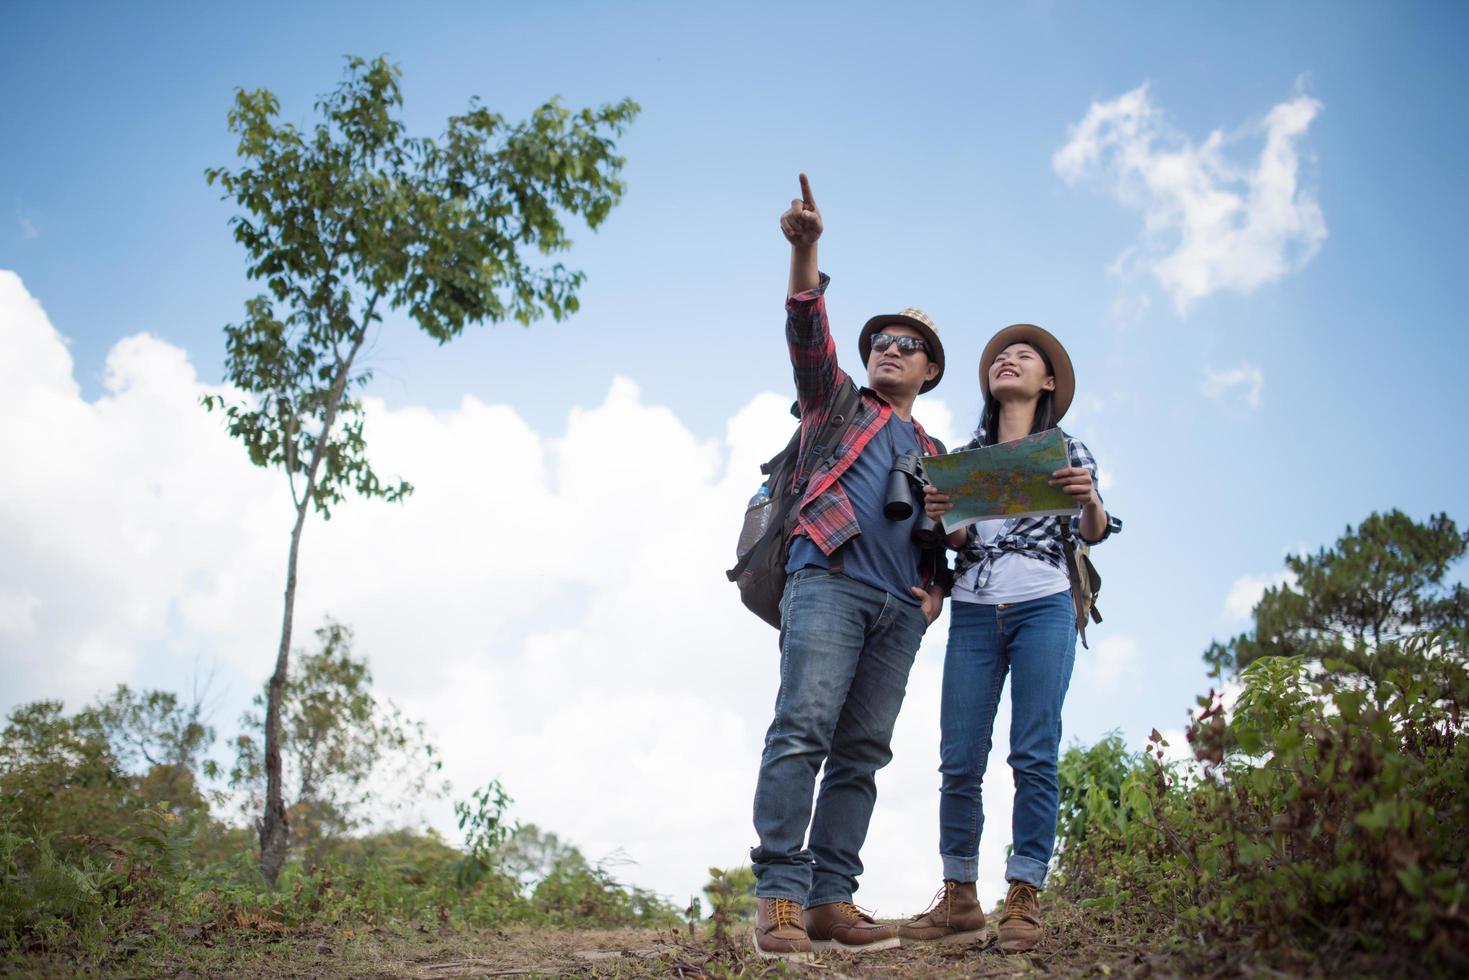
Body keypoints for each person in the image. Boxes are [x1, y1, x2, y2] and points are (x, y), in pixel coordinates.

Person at [750, 174, 951, 961]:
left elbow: (956, 542)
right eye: (879, 343)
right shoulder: (837, 405)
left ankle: (832, 898)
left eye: (907, 346)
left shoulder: (937, 454)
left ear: (929, 370)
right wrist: (806, 251)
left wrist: (935, 590)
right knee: (802, 728)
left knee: (863, 750)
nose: (888, 350)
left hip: (898, 608)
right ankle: (779, 900)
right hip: (827, 580)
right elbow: (808, 337)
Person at [897, 324, 1120, 953]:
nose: (1007, 360)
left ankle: (1023, 895)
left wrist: (1091, 501)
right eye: (999, 355)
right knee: (960, 756)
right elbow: (962, 542)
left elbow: (1094, 530)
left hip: (1044, 603)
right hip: (972, 606)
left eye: (1024, 356)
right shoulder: (964, 457)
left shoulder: (1068, 449)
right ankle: (959, 895)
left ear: (1047, 381)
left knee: (1033, 751)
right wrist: (944, 520)